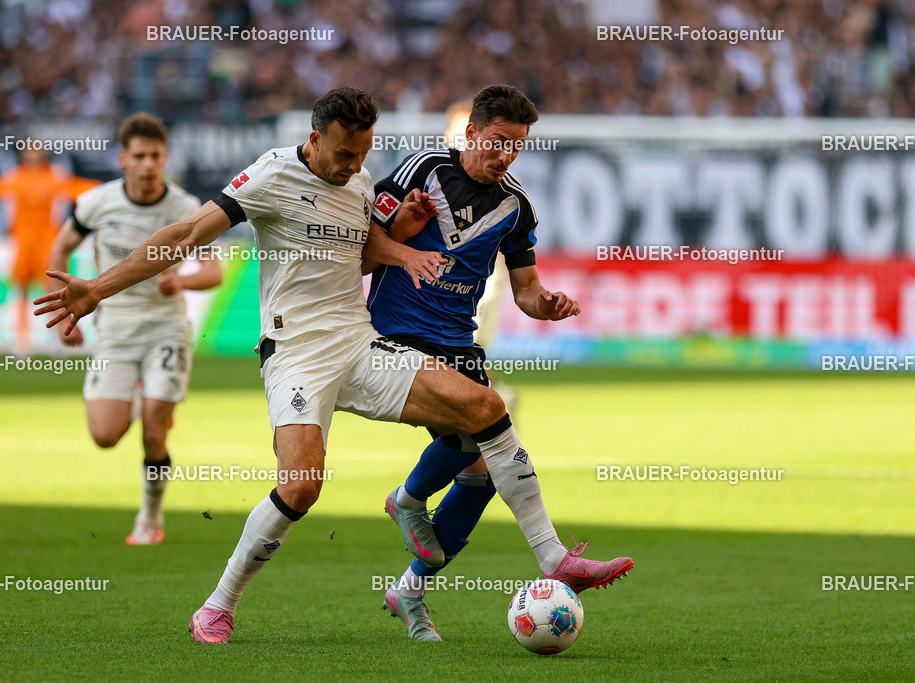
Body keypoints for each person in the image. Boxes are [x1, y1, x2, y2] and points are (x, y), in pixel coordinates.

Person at [33, 87, 629, 645]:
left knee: (486, 406)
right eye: (344, 153)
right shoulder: (270, 175)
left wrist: (404, 238)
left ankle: (554, 557)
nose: (352, 166)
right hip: (294, 353)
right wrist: (98, 289)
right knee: (302, 485)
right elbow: (185, 232)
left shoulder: (364, 180)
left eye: (362, 154)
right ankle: (218, 604)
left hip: (360, 342)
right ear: (315, 139)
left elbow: (363, 250)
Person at [364, 85, 633, 641]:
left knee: (483, 474)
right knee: (491, 417)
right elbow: (362, 246)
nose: (506, 154)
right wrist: (402, 236)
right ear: (471, 133)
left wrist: (548, 306)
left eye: (517, 145)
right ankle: (428, 507)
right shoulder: (420, 170)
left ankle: (410, 587)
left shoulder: (517, 207)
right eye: (497, 141)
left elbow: (527, 291)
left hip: (459, 342)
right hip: (398, 333)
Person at [47, 113, 223, 545]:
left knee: (152, 429)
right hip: (113, 330)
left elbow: (214, 273)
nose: (149, 164)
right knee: (105, 435)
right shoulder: (96, 202)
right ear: (123, 158)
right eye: (140, 156)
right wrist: (65, 313)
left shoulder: (185, 208)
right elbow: (61, 247)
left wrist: (180, 280)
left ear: (165, 158)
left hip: (165, 328)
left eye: (156, 156)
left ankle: (150, 515)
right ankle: (140, 401)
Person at [0, 146, 99, 351]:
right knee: (21, 291)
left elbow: (77, 187)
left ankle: (59, 336)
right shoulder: (16, 177)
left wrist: (107, 190)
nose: (33, 155)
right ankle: (22, 340)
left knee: (55, 293)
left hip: (47, 244)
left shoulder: (53, 175)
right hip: (23, 244)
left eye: (37, 150)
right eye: (29, 150)